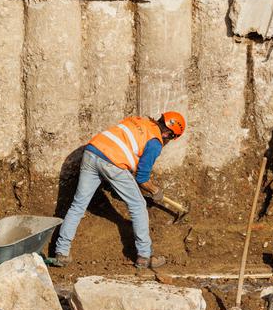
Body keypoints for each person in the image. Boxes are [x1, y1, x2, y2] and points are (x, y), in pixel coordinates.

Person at [53, 111, 186, 269]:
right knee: (138, 205)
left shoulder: (139, 121)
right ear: (168, 134)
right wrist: (155, 191)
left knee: (78, 205)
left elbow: (124, 146)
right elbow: (142, 178)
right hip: (111, 162)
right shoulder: (155, 142)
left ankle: (61, 253)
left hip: (91, 152)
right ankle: (145, 256)